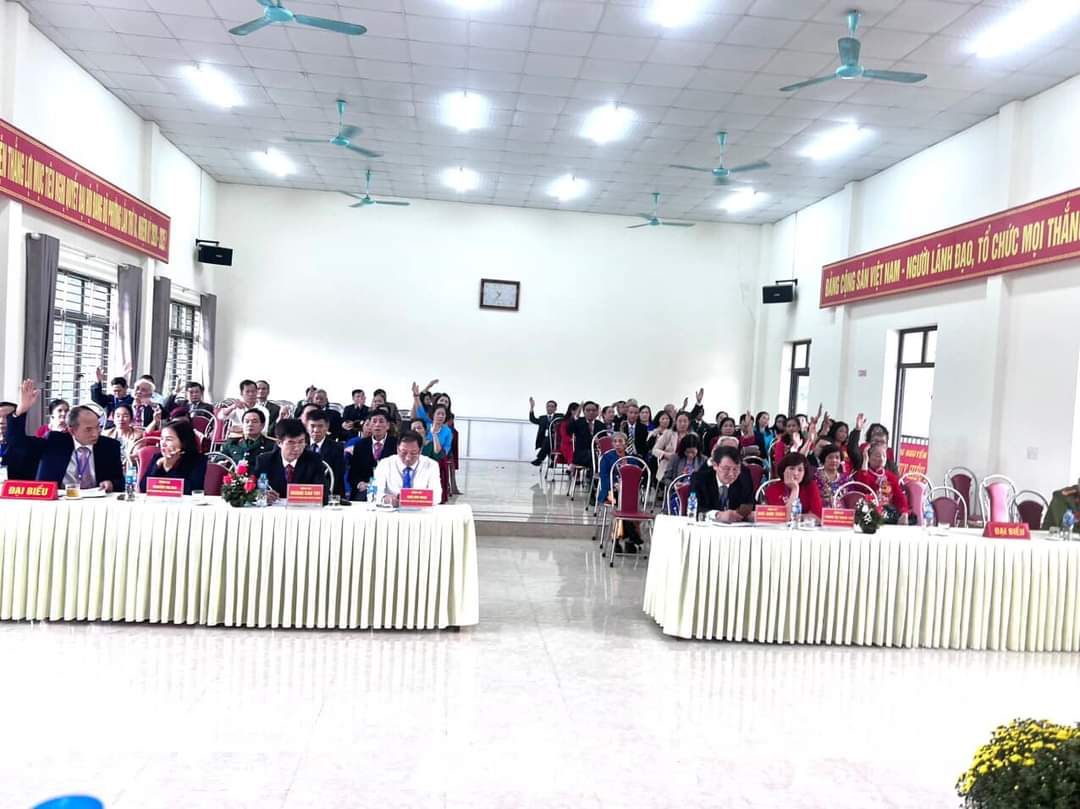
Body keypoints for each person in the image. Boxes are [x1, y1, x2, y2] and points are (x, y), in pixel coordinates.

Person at [4, 379, 124, 492]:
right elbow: (17, 444)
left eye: (97, 427)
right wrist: (21, 411)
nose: (95, 433)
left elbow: (121, 481)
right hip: (58, 500)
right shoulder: (55, 441)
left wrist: (111, 484)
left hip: (97, 501)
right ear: (72, 430)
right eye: (88, 429)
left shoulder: (110, 446)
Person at [252, 418, 329, 503]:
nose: (297, 448)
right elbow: (252, 490)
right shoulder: (265, 460)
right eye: (291, 443)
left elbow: (323, 493)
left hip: (302, 508)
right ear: (279, 443)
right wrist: (262, 495)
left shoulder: (313, 459)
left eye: (301, 442)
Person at [373, 429, 442, 506]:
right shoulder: (385, 464)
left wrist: (411, 499)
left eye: (413, 453)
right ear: (397, 449)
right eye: (404, 453)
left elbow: (437, 496)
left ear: (420, 451)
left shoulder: (431, 465)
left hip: (421, 510)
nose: (408, 458)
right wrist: (385, 498)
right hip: (391, 509)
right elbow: (375, 492)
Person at [138, 420, 208, 495]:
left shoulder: (198, 460)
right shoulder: (158, 458)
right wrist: (157, 466)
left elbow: (191, 490)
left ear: (183, 442)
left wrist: (169, 466)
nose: (163, 444)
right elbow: (143, 488)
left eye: (168, 439)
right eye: (162, 439)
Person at [691, 445, 755, 522]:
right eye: (726, 469)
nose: (731, 474)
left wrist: (747, 514)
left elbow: (750, 504)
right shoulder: (700, 479)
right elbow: (694, 509)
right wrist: (717, 515)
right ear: (715, 465)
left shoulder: (744, 478)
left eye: (736, 469)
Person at [347, 410, 397, 501]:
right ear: (369, 425)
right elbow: (353, 473)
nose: (377, 425)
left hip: (389, 490)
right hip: (365, 489)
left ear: (388, 426)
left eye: (381, 421)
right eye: (374, 421)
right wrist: (360, 484)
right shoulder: (360, 445)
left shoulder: (397, 445)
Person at [854, 444, 910, 524]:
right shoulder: (863, 474)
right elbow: (863, 487)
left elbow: (899, 497)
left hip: (888, 514)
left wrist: (904, 512)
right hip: (868, 514)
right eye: (878, 456)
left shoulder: (891, 476)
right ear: (869, 457)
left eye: (884, 456)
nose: (881, 458)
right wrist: (865, 462)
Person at [763, 452, 823, 519]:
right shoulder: (772, 489)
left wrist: (797, 517)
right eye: (792, 468)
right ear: (783, 470)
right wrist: (795, 489)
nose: (795, 473)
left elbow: (818, 516)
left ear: (805, 473)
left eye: (800, 470)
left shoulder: (811, 486)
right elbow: (784, 517)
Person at [304, 408, 346, 497]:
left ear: (327, 427)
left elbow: (337, 476)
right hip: (303, 492)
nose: (316, 430)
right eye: (312, 426)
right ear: (307, 427)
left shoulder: (337, 448)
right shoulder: (300, 446)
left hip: (330, 493)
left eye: (320, 426)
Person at [652, 410, 691, 483]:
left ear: (689, 423)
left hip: (686, 468)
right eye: (680, 421)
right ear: (675, 422)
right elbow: (655, 450)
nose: (682, 424)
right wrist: (665, 455)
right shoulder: (668, 433)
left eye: (685, 421)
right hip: (668, 467)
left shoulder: (692, 436)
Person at [814, 443, 852, 508]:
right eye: (830, 457)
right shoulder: (815, 477)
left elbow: (850, 500)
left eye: (837, 458)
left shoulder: (846, 479)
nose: (834, 460)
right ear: (823, 459)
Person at [571, 401, 605, 469]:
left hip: (597, 452)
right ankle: (595, 474)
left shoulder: (601, 425)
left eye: (593, 410)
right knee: (593, 456)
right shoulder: (578, 422)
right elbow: (569, 429)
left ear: (597, 412)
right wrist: (576, 416)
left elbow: (603, 440)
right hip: (581, 454)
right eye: (588, 410)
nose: (591, 412)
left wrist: (599, 442)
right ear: (584, 412)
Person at [528, 397, 558, 466]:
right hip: (543, 440)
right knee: (547, 441)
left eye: (552, 406)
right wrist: (532, 407)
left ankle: (540, 459)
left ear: (555, 409)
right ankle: (553, 460)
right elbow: (533, 419)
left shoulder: (559, 416)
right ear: (546, 407)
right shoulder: (542, 418)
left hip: (556, 440)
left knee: (548, 440)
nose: (550, 408)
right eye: (548, 406)